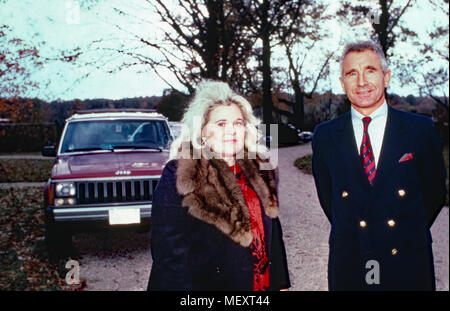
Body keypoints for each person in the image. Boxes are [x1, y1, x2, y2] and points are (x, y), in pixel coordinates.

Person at [312, 41, 447, 291]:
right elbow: (328, 197)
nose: (361, 82)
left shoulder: (420, 130)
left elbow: (435, 192)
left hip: (407, 261)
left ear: (386, 77)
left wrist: (405, 230)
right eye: (352, 74)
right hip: (350, 260)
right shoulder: (325, 136)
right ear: (342, 84)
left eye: (370, 71)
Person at [147, 80, 291, 291]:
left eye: (238, 123)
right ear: (203, 131)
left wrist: (281, 285)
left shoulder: (261, 170)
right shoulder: (180, 174)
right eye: (221, 124)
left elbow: (274, 237)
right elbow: (169, 256)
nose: (232, 131)